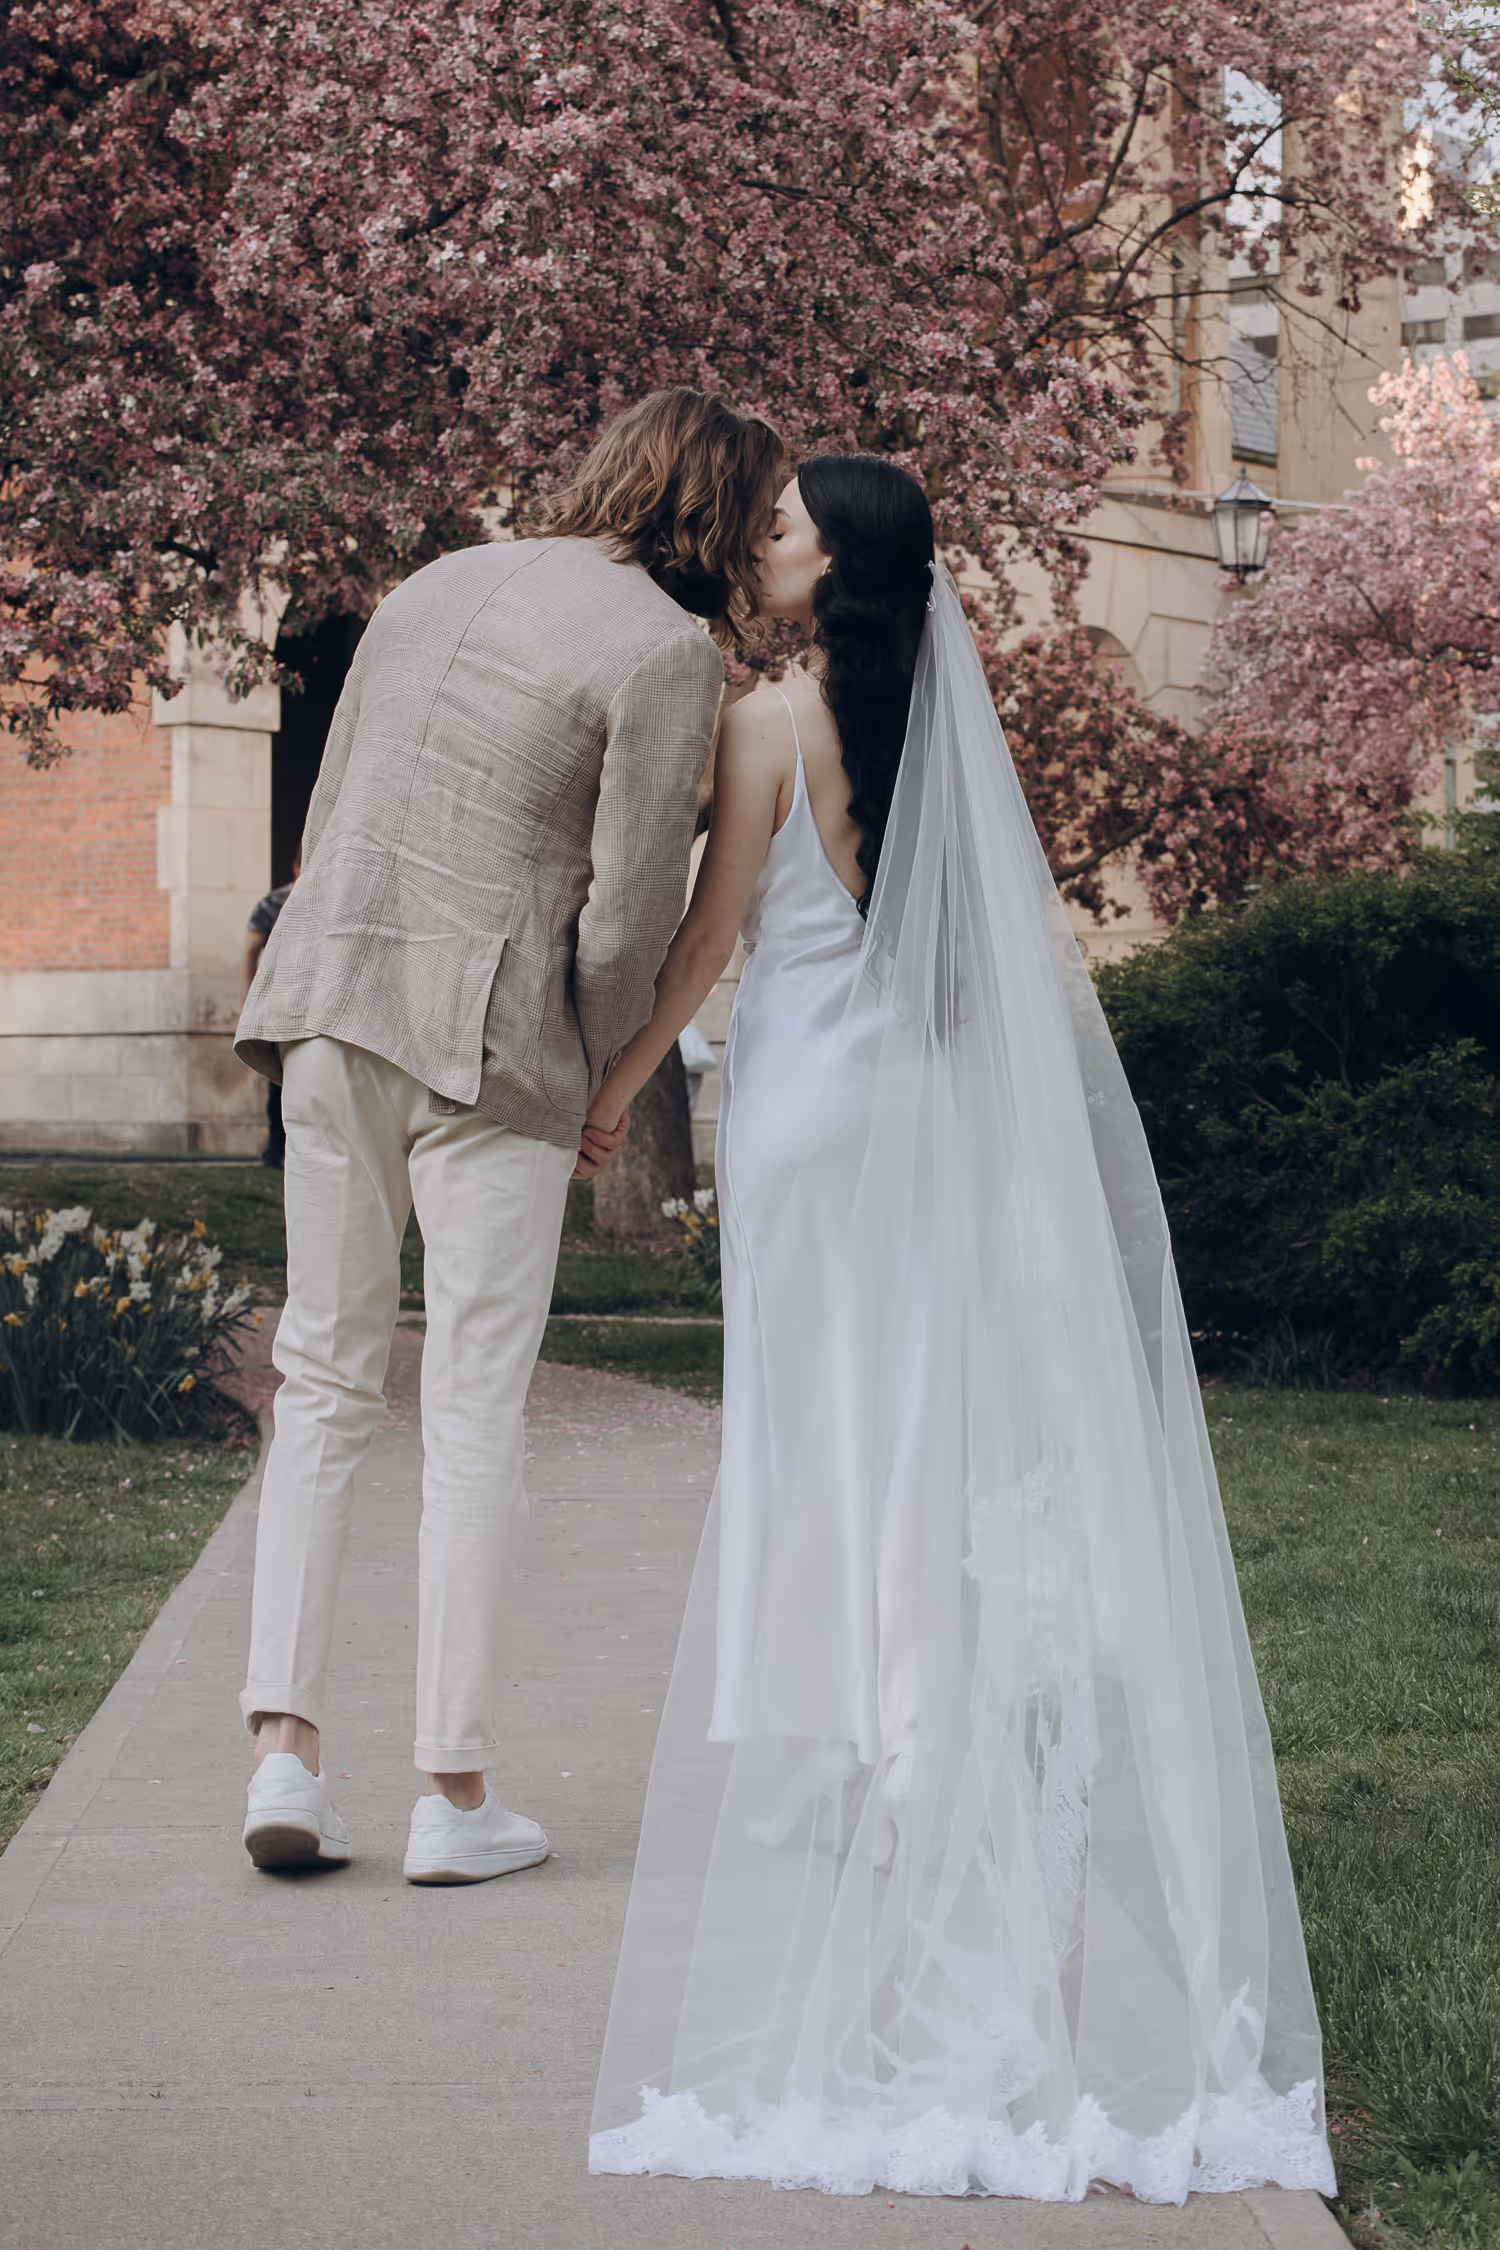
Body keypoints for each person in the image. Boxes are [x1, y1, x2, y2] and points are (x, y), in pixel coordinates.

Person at [581, 457, 1338, 2204]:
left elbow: (708, 947)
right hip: (925, 1126)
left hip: (805, 1134)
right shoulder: (936, 725)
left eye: (778, 526)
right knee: (923, 1440)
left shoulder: (771, 722)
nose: (756, 547)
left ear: (835, 557)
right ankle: (928, 1760)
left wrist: (615, 1088)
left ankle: (883, 1774)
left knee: (828, 1452)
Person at [233, 388, 783, 1884]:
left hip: (332, 995)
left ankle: (283, 1752)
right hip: (493, 1047)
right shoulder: (669, 651)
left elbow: (336, 801)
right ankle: (452, 1795)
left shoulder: (438, 580)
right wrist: (599, 1074)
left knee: (323, 1380)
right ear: (723, 516)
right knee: (474, 1407)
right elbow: (624, 914)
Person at [241, 851, 300, 1167]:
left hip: (302, 1003)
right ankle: (276, 1149)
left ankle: (286, 1150)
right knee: (277, 1081)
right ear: (295, 866)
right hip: (278, 1003)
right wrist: (248, 1000)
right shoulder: (273, 904)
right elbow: (251, 950)